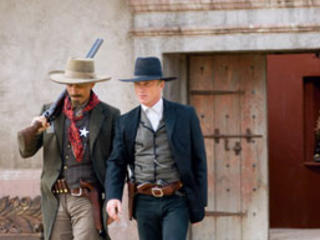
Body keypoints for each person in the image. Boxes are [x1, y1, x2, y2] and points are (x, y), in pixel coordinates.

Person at [18, 57, 120, 240]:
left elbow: (116, 162)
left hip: (87, 199)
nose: (74, 90)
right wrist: (34, 130)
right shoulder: (49, 112)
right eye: (70, 85)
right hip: (55, 199)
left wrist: (112, 199)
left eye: (80, 85)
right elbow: (26, 151)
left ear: (93, 84)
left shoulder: (110, 115)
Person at [105, 57, 207, 240]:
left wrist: (199, 204)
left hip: (176, 198)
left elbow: (199, 160)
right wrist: (113, 196)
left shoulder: (185, 115)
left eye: (147, 84)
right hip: (143, 200)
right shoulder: (126, 122)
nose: (141, 89)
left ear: (161, 85)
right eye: (137, 85)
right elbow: (116, 162)